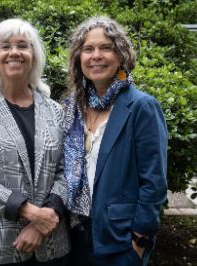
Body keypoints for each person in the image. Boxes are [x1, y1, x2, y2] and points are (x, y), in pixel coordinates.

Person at [0, 18, 70, 266]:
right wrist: (31, 213)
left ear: (34, 55)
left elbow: (67, 171)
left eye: (23, 45)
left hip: (51, 243)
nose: (14, 52)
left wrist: (43, 222)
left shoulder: (54, 110)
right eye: (5, 46)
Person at [63, 16, 168, 266]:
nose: (95, 55)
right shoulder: (71, 107)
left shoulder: (141, 107)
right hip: (73, 233)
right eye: (88, 49)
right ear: (79, 58)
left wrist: (139, 239)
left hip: (119, 239)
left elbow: (154, 180)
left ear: (121, 56)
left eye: (105, 48)